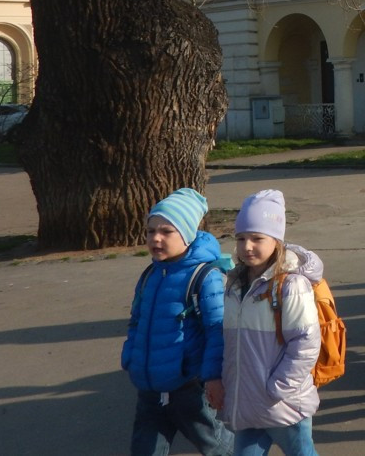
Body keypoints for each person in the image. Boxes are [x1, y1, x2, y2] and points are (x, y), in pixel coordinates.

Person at [122, 188, 233, 456]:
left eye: (166, 231)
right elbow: (137, 320)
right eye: (151, 231)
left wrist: (213, 377)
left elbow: (217, 331)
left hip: (188, 388)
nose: (156, 238)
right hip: (150, 387)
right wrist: (130, 357)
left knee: (217, 447)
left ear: (187, 234)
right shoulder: (151, 274)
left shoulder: (205, 276)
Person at [218, 190, 321, 456]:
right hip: (246, 401)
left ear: (276, 241)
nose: (247, 246)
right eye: (241, 238)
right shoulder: (234, 284)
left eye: (257, 238)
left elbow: (306, 343)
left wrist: (279, 387)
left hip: (282, 404)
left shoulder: (292, 285)